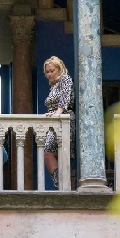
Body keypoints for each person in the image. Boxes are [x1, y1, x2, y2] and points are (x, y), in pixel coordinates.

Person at [38, 56, 72, 189]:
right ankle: (59, 183)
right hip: (54, 122)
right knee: (51, 153)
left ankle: (60, 183)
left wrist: (58, 113)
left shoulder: (65, 79)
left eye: (52, 71)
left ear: (59, 69)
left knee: (48, 152)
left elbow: (65, 98)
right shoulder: (53, 86)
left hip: (62, 120)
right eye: (47, 72)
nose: (49, 74)